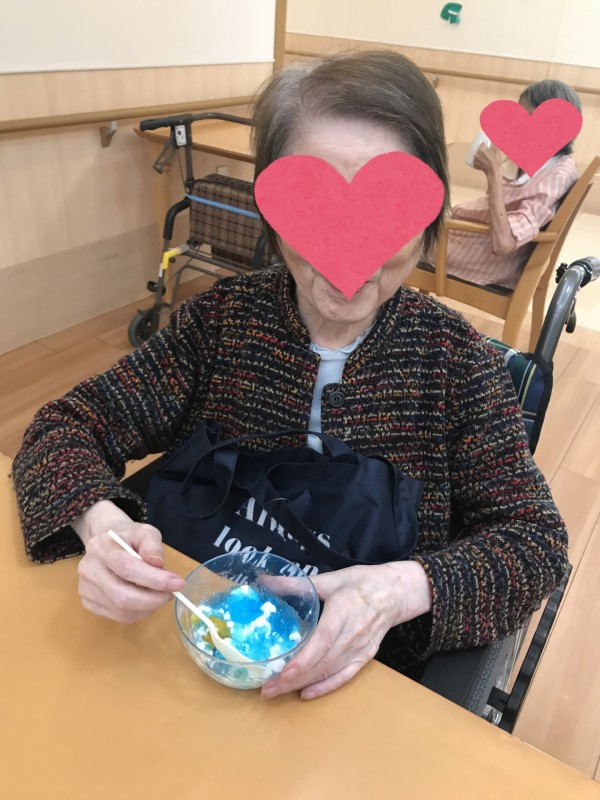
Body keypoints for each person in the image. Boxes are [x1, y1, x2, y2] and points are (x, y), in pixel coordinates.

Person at [12, 50, 568, 701]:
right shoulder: (220, 324)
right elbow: (65, 426)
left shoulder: (458, 365)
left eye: (387, 208)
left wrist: (398, 590)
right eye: (315, 204)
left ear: (425, 226)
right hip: (179, 652)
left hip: (355, 686)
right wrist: (100, 526)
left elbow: (535, 543)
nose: (350, 250)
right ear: (274, 217)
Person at [440, 80, 581, 289]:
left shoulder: (557, 174)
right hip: (461, 237)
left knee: (402, 240)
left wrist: (494, 175)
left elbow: (503, 243)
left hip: (479, 259)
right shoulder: (528, 160)